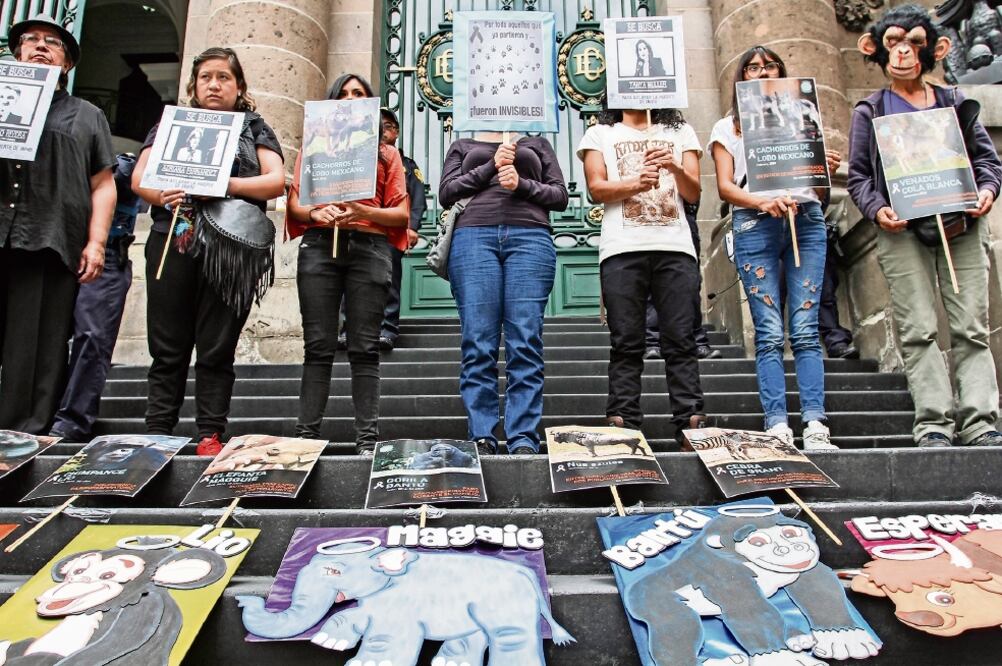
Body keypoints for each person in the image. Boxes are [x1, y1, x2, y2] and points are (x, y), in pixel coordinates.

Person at [848, 4, 1002, 447]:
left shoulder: (954, 102)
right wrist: (877, 209)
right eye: (893, 43)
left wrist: (987, 192)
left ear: (935, 49)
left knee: (971, 325)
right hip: (902, 231)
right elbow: (858, 175)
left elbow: (987, 161)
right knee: (918, 328)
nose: (903, 53)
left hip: (963, 223)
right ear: (877, 50)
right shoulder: (870, 109)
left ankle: (979, 422)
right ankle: (934, 422)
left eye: (913, 43)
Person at [133, 47, 285, 455]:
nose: (214, 84)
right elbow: (140, 178)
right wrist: (164, 195)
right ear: (194, 85)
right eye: (206, 77)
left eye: (224, 77)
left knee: (217, 346)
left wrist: (222, 185)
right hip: (174, 237)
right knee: (167, 344)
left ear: (239, 87)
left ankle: (210, 434)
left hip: (231, 249)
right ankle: (158, 431)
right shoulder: (171, 122)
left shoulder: (254, 126)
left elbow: (275, 181)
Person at [709, 45, 841, 450]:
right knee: (768, 332)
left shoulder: (806, 116)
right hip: (756, 224)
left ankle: (816, 423)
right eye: (752, 67)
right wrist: (762, 201)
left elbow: (819, 190)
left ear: (782, 72)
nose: (762, 72)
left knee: (804, 328)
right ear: (741, 78)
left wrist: (826, 172)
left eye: (770, 66)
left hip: (806, 219)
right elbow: (726, 187)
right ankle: (777, 423)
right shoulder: (727, 127)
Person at [0, 15, 116, 435]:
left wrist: (96, 242)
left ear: (67, 64)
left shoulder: (86, 115)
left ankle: (20, 435)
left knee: (34, 346)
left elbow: (103, 184)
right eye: (30, 40)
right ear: (16, 54)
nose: (40, 46)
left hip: (49, 239)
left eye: (53, 43)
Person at [287, 73, 409, 454]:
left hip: (369, 248)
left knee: (364, 347)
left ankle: (367, 441)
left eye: (358, 94)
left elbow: (402, 214)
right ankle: (306, 438)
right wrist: (315, 215)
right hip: (321, 244)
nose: (349, 99)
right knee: (318, 346)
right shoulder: (313, 148)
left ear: (369, 104)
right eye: (342, 94)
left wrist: (361, 210)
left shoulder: (386, 154)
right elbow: (294, 204)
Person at [579, 102, 707, 444]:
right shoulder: (600, 134)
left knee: (681, 337)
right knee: (626, 340)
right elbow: (596, 188)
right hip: (623, 248)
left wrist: (674, 168)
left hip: (675, 247)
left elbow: (694, 192)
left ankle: (690, 420)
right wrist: (638, 183)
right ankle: (623, 420)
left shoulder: (680, 132)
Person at [439, 131, 567, 455]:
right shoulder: (463, 144)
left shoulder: (536, 142)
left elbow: (560, 195)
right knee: (478, 341)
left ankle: (523, 436)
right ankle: (482, 434)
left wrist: (520, 184)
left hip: (530, 237)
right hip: (472, 237)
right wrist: (490, 168)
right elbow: (446, 192)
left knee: (525, 340)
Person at [51, 153, 142, 441]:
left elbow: (127, 179)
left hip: (109, 252)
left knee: (92, 338)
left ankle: (71, 421)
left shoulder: (124, 166)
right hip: (55, 247)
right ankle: (48, 413)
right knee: (45, 337)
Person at [377, 108, 425, 351]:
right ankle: (349, 329)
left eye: (386, 125)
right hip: (364, 227)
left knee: (389, 279)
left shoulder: (407, 165)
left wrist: (412, 227)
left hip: (392, 229)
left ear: (395, 131)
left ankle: (387, 329)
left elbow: (417, 198)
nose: (382, 130)